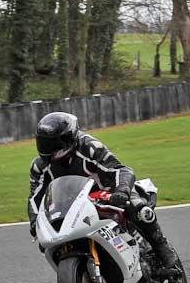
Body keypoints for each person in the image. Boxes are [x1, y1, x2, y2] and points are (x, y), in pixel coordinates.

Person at [27, 112, 177, 268]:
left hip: (108, 193)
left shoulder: (89, 147)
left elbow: (121, 170)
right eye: (44, 144)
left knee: (138, 208)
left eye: (54, 144)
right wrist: (34, 222)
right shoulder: (40, 166)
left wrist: (122, 191)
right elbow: (35, 198)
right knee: (46, 242)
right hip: (73, 206)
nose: (49, 149)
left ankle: (162, 246)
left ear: (69, 138)